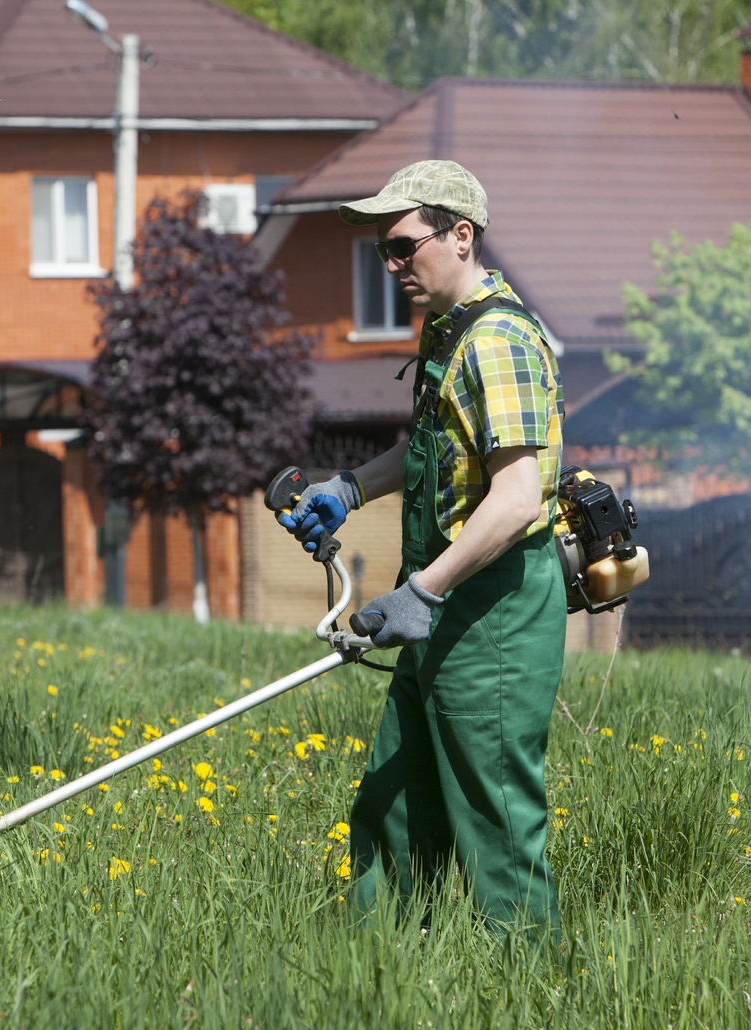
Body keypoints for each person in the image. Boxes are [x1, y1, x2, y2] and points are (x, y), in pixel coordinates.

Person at [277, 160, 566, 936]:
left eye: (405, 246)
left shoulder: (499, 341)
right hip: (441, 603)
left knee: (496, 823)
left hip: (491, 610)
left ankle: (530, 992)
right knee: (395, 803)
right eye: (386, 252)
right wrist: (348, 488)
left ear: (461, 236)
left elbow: (516, 499)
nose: (394, 265)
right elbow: (435, 448)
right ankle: (381, 975)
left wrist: (423, 590)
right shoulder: (450, 332)